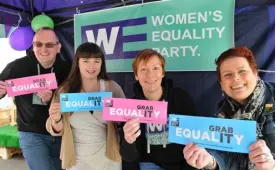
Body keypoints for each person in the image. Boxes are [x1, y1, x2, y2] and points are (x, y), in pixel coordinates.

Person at [183, 47, 275, 170]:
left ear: (255, 73)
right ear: (221, 84)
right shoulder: (221, 113)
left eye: (242, 71)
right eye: (228, 74)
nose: (236, 78)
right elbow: (231, 162)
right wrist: (211, 162)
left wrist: (272, 165)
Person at [46, 42, 125, 170]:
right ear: (77, 63)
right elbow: (56, 130)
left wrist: (120, 118)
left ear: (102, 63)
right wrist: (56, 118)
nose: (91, 66)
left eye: (96, 61)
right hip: (76, 158)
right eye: (86, 61)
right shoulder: (65, 91)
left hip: (108, 156)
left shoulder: (112, 88)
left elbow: (125, 121)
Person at [0, 27, 71, 170]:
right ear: (33, 46)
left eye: (49, 44)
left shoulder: (67, 69)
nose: (43, 49)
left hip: (59, 131)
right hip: (30, 133)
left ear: (58, 47)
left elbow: (74, 102)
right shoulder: (16, 67)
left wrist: (52, 99)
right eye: (38, 44)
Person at [119, 49, 197, 170]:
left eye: (155, 68)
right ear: (136, 76)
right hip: (149, 165)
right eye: (143, 69)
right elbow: (128, 157)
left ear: (162, 73)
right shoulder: (131, 107)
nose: (150, 75)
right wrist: (129, 141)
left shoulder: (181, 98)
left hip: (181, 163)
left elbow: (196, 139)